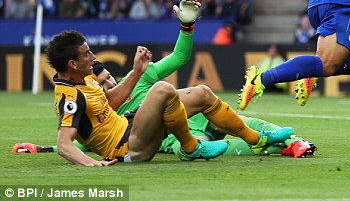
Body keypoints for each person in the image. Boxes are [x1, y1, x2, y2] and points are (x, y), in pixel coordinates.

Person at [46, 0, 293, 165]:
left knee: (203, 92)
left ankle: (255, 139)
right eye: (86, 54)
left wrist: (139, 69)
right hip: (129, 147)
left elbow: (111, 100)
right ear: (72, 64)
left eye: (109, 76)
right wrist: (92, 164)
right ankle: (190, 146)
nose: (93, 58)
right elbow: (66, 142)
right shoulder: (70, 97)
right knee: (163, 89)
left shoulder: (88, 80)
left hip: (136, 125)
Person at [14, 62, 315, 158]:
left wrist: (187, 25)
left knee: (206, 94)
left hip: (192, 115)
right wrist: (44, 148)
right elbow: (78, 139)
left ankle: (287, 139)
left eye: (109, 79)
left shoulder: (135, 82)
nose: (108, 84)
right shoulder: (97, 107)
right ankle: (284, 149)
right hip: (170, 134)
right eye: (103, 83)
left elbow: (181, 54)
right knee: (225, 143)